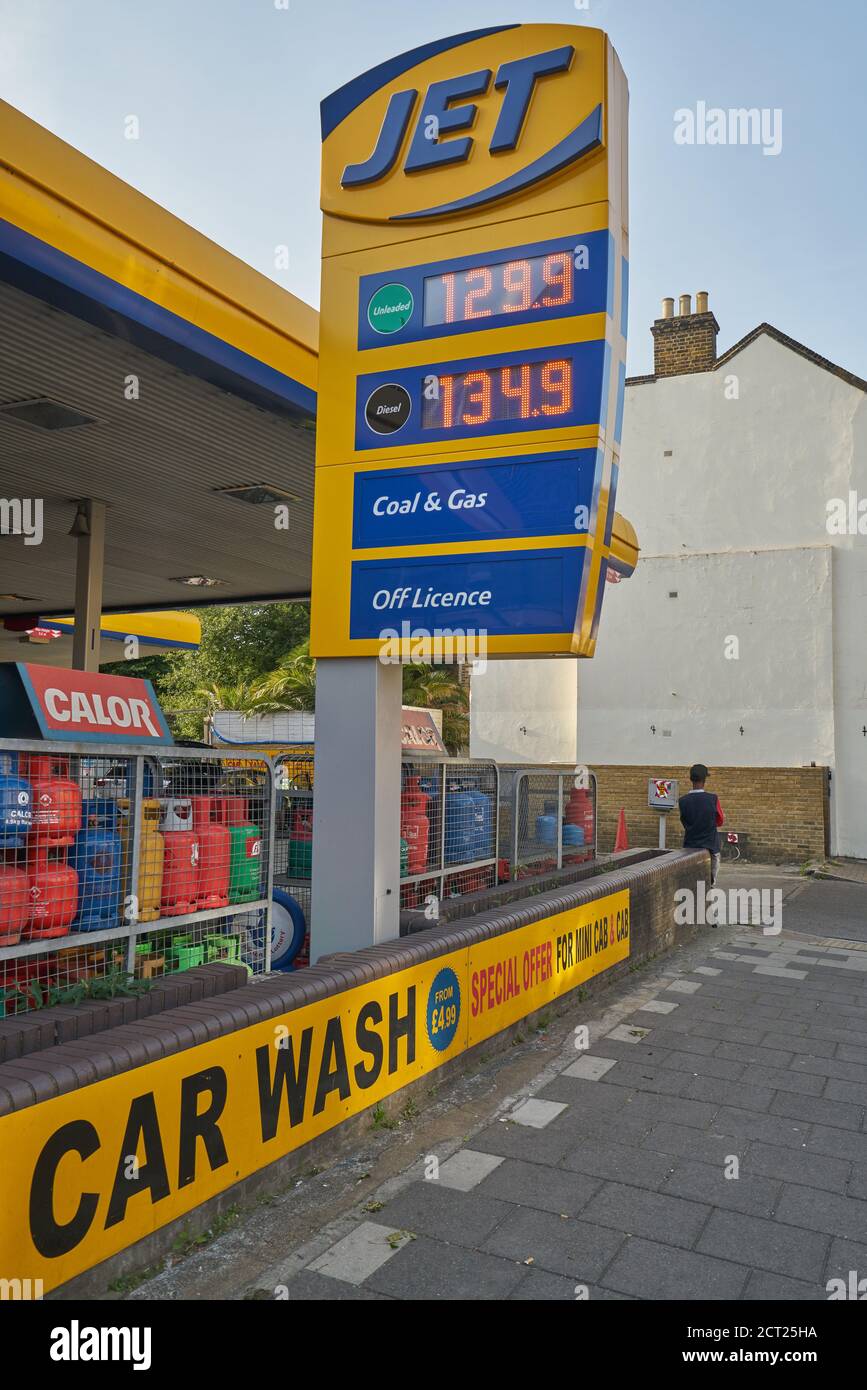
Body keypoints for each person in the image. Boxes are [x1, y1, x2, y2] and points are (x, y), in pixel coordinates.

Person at [678, 764, 724, 887]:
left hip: (690, 844)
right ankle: (712, 882)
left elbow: (684, 821)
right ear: (704, 780)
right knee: (715, 862)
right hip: (711, 845)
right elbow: (720, 821)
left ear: (691, 779)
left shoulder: (682, 801)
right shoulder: (713, 799)